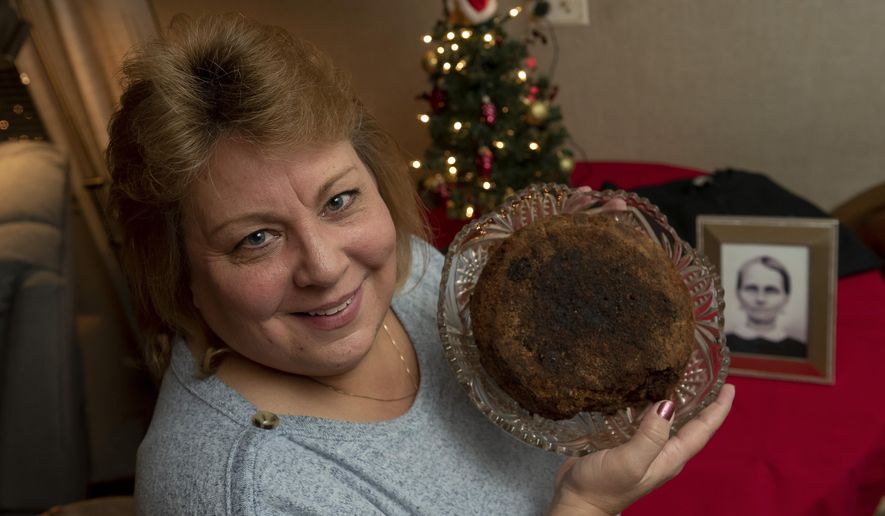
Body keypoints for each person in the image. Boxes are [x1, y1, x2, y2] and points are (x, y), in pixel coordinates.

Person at [107, 13, 734, 515]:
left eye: (340, 200)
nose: (326, 267)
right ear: (176, 270)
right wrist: (587, 507)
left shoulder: (404, 270)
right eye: (256, 240)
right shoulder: (235, 493)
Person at [726, 255, 806, 358]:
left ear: (786, 299)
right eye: (752, 289)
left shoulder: (801, 350)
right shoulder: (719, 345)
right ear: (738, 294)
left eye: (771, 290)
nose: (760, 299)